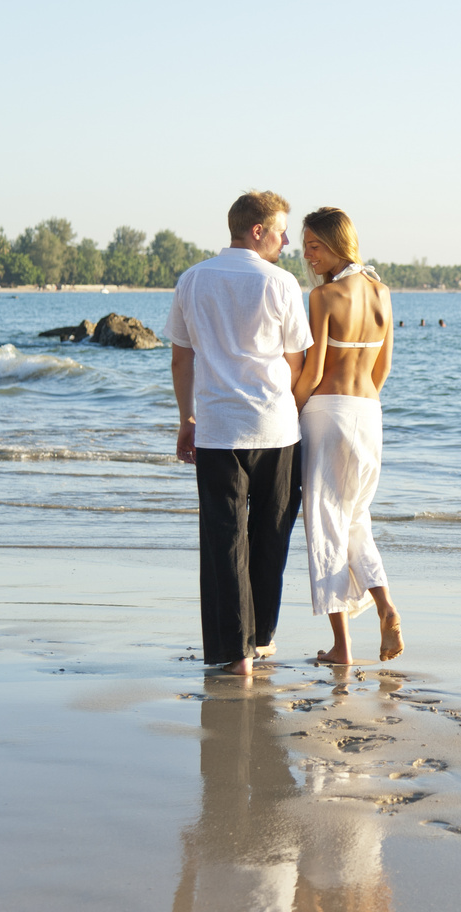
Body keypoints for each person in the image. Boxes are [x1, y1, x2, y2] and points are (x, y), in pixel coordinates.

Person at [166, 191, 313, 676]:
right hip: (274, 426)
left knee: (224, 537)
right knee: (271, 532)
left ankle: (237, 655)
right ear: (258, 231)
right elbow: (296, 359)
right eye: (281, 230)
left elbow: (181, 357)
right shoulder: (282, 283)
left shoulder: (192, 279)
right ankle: (263, 635)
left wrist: (186, 417)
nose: (287, 240)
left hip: (216, 429)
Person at [293, 206, 403, 665]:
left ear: (339, 244)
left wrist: (289, 412)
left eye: (315, 246)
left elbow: (315, 370)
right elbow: (384, 369)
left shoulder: (324, 298)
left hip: (328, 413)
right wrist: (359, 404)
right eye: (305, 246)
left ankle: (342, 646)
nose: (308, 255)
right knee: (356, 519)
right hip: (369, 414)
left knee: (326, 526)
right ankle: (385, 606)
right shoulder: (381, 292)